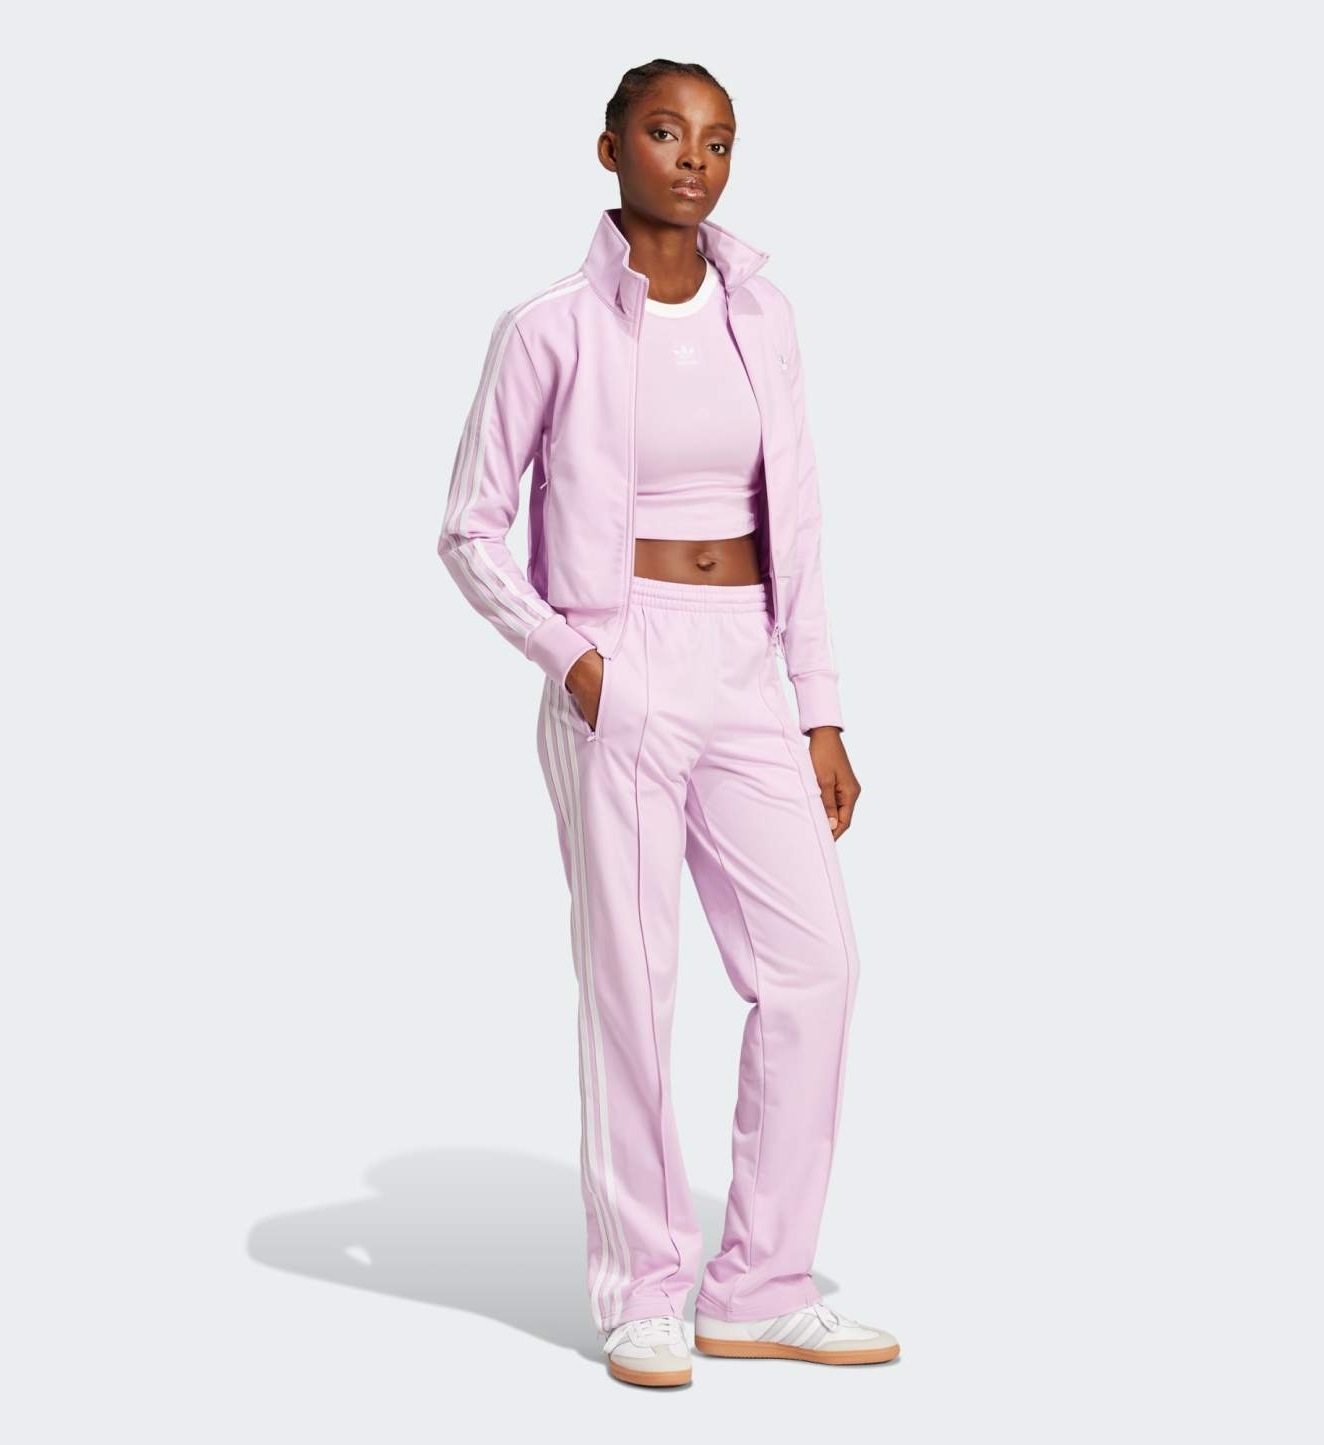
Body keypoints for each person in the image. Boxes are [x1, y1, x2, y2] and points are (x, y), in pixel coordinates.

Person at [437, 59, 900, 1387]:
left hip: (747, 660)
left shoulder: (764, 311)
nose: (694, 159)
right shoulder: (550, 328)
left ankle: (758, 1285)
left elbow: (798, 514)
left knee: (815, 967)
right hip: (622, 661)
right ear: (610, 151)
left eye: (717, 139)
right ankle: (641, 1287)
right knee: (635, 984)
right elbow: (470, 529)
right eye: (664, 132)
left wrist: (819, 709)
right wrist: (576, 663)